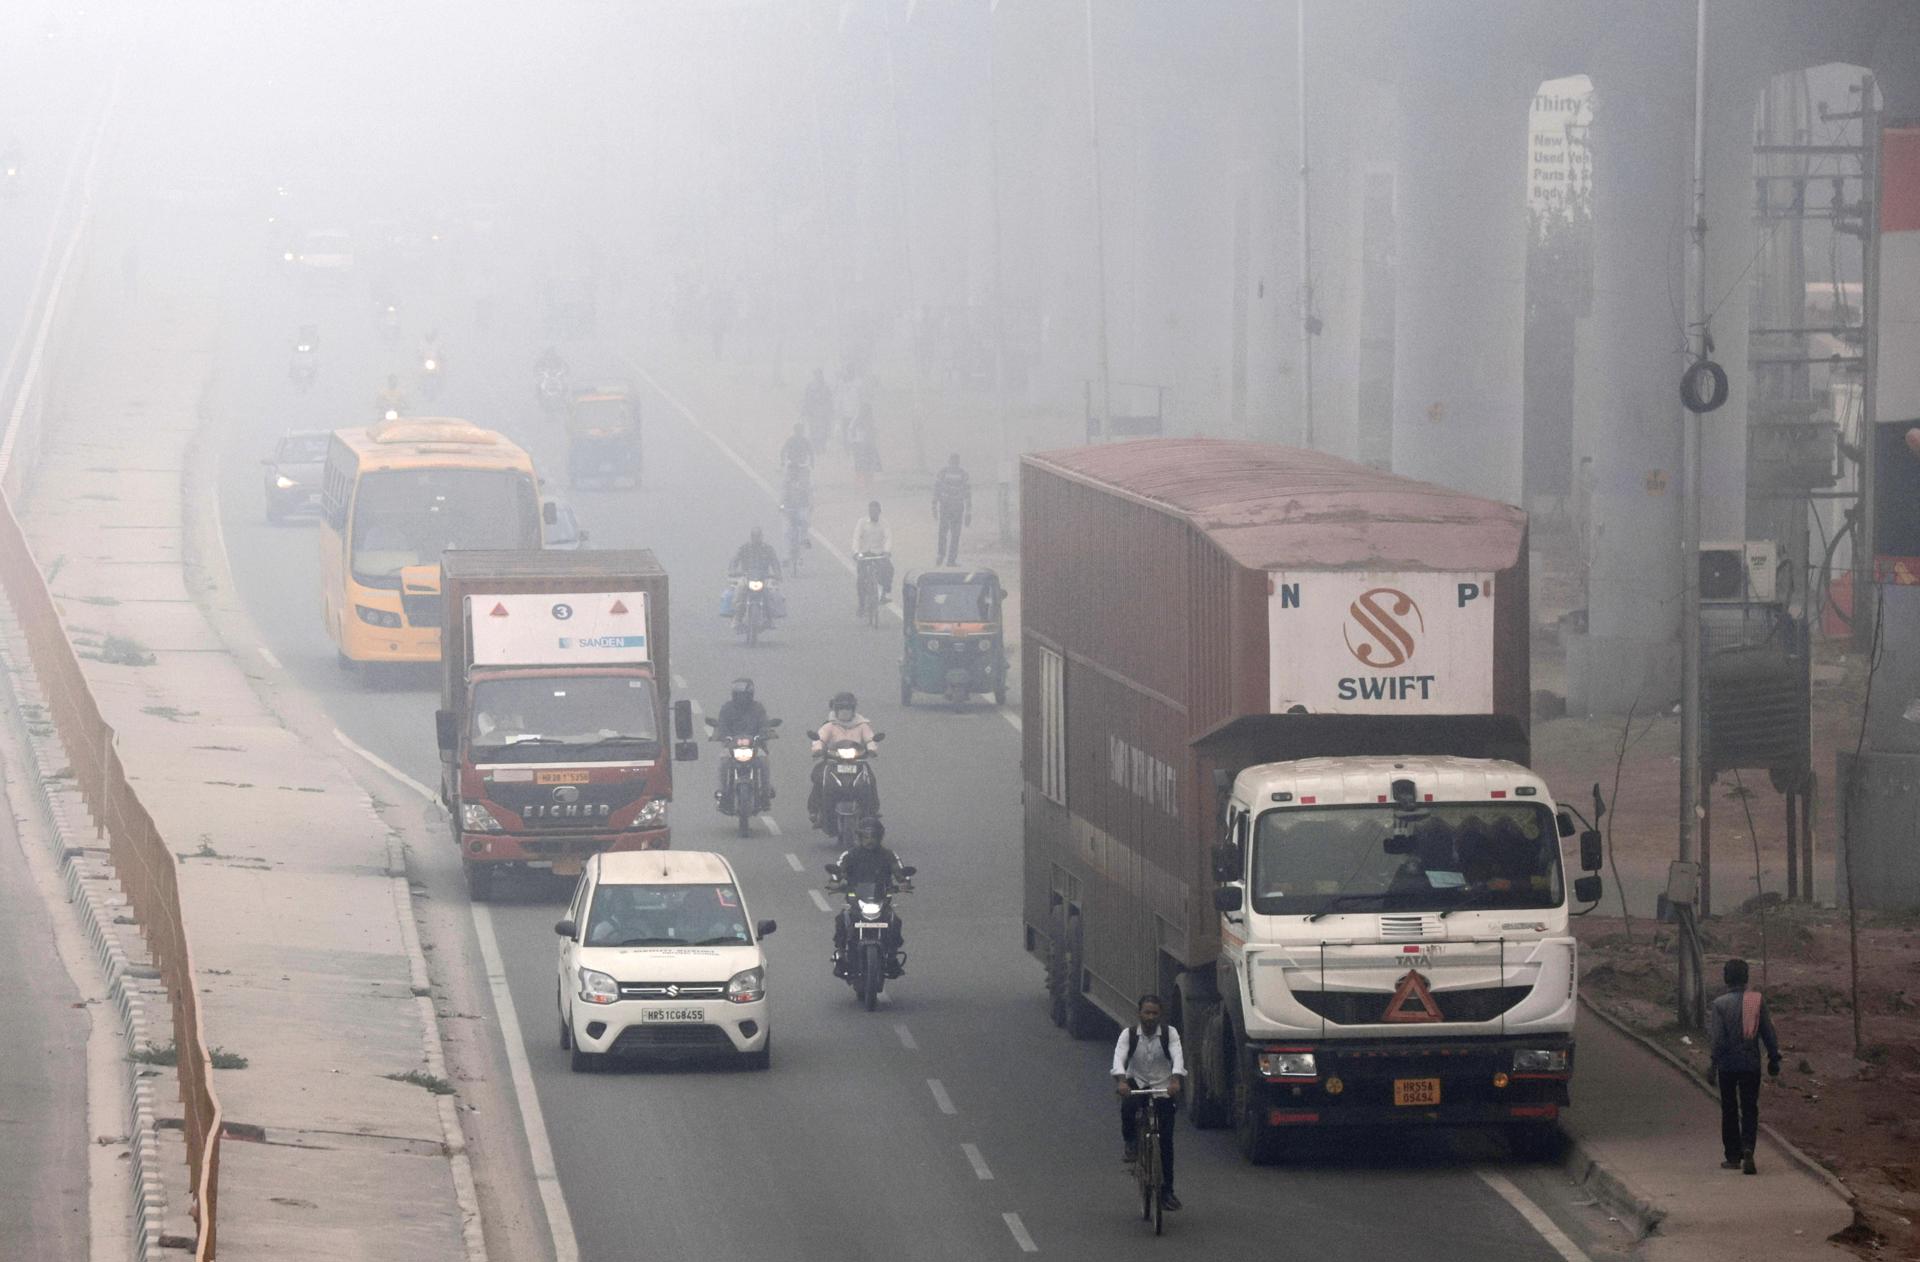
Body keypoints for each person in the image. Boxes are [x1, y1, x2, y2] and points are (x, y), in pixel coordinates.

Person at [1111, 995, 1185, 1212]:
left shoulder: (1170, 1034)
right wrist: (1122, 1081)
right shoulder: (1129, 1034)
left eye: (1154, 1013)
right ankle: (1132, 1143)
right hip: (1138, 1082)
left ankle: (1167, 1192)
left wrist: (1175, 1079)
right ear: (1139, 1013)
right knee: (1128, 1106)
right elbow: (1119, 1058)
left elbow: (1177, 1058)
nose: (1150, 1017)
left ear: (1159, 1015)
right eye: (1147, 1013)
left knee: (1166, 1143)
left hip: (1163, 1086)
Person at [1708, 957, 1781, 1175]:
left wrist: (1713, 1064)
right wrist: (1774, 1058)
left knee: (1729, 1109)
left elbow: (1718, 1040)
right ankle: (1748, 1147)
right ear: (1746, 978)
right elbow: (1768, 1032)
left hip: (1728, 1066)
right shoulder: (1757, 1001)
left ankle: (1733, 1157)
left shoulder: (1719, 1004)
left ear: (1726, 978)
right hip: (1751, 1064)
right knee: (1750, 1108)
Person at [829, 817, 910, 978]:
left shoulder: (888, 855)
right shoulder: (850, 854)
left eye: (873, 837)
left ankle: (892, 958)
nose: (870, 840)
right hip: (856, 901)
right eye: (866, 837)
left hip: (881, 900)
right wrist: (834, 882)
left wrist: (904, 882)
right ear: (859, 838)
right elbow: (838, 870)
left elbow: (899, 871)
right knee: (842, 919)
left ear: (879, 837)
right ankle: (841, 957)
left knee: (895, 921)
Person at [808, 691, 877, 823]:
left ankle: (872, 810)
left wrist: (872, 749)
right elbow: (820, 739)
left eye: (848, 708)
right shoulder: (829, 725)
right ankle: (814, 810)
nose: (845, 712)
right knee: (818, 776)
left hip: (857, 761)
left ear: (853, 710)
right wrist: (817, 749)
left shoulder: (862, 725)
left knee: (870, 780)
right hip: (833, 761)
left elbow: (870, 739)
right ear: (836, 709)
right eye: (842, 708)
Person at [713, 677, 771, 802]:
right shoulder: (727, 708)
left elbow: (764, 724)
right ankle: (722, 792)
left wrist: (764, 734)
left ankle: (765, 792)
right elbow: (722, 725)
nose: (741, 698)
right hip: (731, 747)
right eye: (739, 694)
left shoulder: (758, 708)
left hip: (755, 746)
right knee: (723, 761)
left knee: (764, 760)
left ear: (750, 694)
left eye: (744, 695)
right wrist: (723, 735)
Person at [728, 527, 782, 629]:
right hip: (746, 577)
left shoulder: (768, 549)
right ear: (751, 537)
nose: (756, 539)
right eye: (754, 536)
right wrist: (732, 571)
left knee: (770, 593)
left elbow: (775, 563)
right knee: (739, 592)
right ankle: (737, 619)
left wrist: (778, 574)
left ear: (762, 537)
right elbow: (734, 560)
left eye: (758, 536)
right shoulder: (744, 548)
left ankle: (769, 619)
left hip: (764, 577)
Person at [932, 453, 972, 566]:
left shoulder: (946, 473)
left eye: (955, 461)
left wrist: (934, 507)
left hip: (951, 507)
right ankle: (946, 558)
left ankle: (945, 557)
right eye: (953, 461)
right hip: (952, 507)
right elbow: (936, 490)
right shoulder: (958, 474)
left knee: (949, 533)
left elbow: (967, 493)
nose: (954, 463)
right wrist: (968, 512)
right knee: (950, 533)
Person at [851, 501, 894, 610]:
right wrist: (856, 552)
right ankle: (861, 604)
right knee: (861, 579)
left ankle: (884, 593)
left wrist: (887, 551)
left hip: (879, 553)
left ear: (879, 511)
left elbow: (888, 537)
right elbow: (856, 537)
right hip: (865, 554)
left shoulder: (884, 523)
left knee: (889, 569)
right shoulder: (862, 522)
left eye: (875, 511)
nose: (873, 514)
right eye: (871, 511)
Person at [849, 401, 881, 492]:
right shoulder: (861, 420)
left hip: (864, 446)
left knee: (864, 467)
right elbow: (875, 432)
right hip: (864, 446)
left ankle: (865, 486)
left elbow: (851, 432)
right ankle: (866, 486)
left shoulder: (859, 420)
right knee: (866, 467)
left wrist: (853, 442)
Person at [801, 367, 835, 446]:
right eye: (816, 375)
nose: (818, 377)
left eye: (819, 374)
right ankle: (815, 444)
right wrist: (805, 408)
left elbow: (829, 399)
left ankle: (822, 444)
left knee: (824, 428)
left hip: (823, 411)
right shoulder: (810, 386)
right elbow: (807, 398)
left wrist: (830, 409)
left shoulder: (826, 386)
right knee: (813, 429)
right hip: (812, 411)